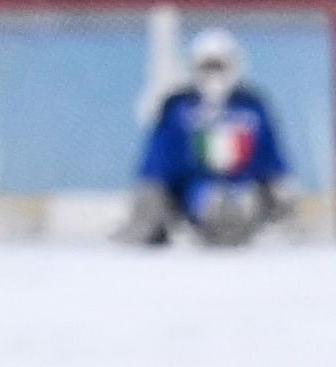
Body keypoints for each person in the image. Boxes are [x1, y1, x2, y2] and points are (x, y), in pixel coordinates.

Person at [121, 27, 295, 249]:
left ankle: (250, 221)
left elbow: (271, 154)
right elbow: (159, 158)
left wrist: (280, 184)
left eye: (219, 65)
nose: (214, 74)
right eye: (207, 66)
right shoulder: (177, 107)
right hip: (191, 194)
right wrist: (152, 194)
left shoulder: (253, 106)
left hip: (245, 188)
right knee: (200, 200)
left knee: (246, 200)